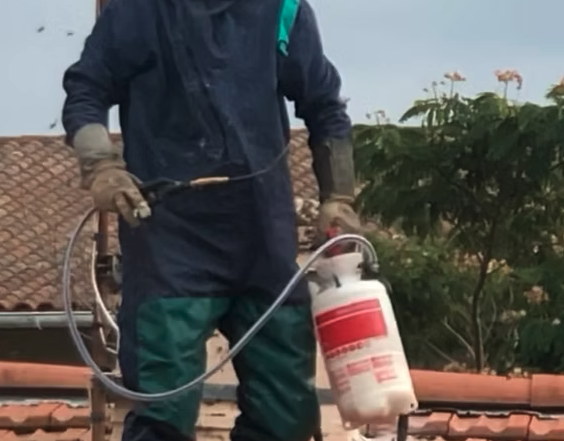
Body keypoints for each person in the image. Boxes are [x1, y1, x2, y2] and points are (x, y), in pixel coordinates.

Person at [62, 0, 361, 440]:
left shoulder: (283, 11)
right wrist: (100, 165)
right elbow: (86, 90)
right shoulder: (137, 11)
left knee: (287, 414)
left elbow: (324, 107)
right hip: (169, 243)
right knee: (163, 414)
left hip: (264, 241)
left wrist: (338, 196)